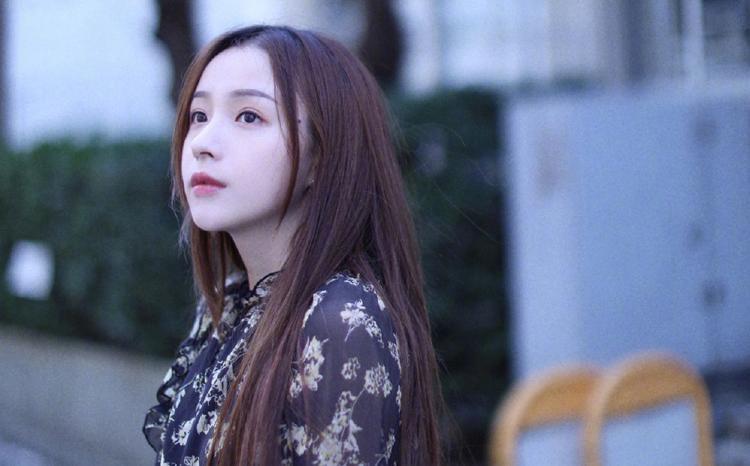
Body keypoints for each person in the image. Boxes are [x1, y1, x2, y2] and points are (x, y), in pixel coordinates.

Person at [142, 24, 446, 465]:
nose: (203, 144)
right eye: (198, 116)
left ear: (320, 156)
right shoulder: (229, 304)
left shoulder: (337, 321)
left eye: (249, 116)